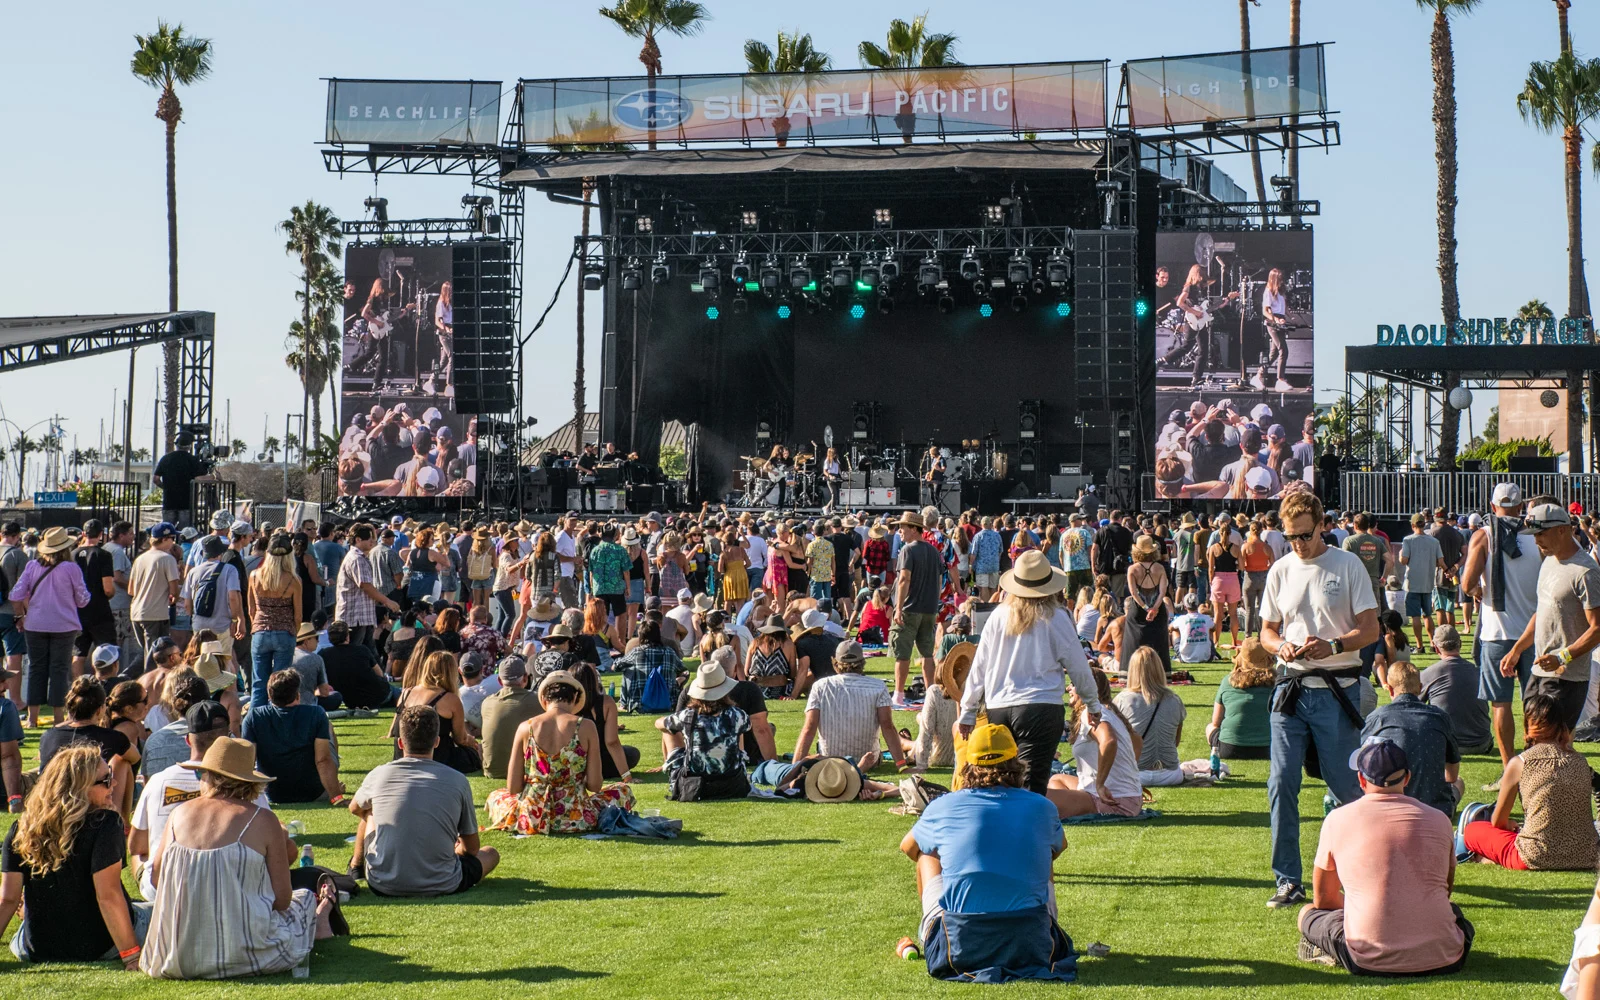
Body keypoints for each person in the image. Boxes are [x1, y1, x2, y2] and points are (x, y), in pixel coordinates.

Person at [1259, 490, 1379, 909]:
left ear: (1322, 525)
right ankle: (1288, 881)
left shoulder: (1347, 565)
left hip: (1337, 690)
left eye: (1305, 535)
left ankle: (1364, 874)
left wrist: (1332, 644)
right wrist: (1280, 648)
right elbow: (1267, 632)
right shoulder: (1280, 569)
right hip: (1290, 689)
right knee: (1280, 783)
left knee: (1347, 787)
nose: (1298, 544)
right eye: (1290, 536)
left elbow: (1370, 630)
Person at [141, 736, 340, 978]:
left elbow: (155, 878)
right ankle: (319, 921)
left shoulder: (178, 814)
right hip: (248, 955)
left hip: (178, 955)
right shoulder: (264, 820)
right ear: (249, 783)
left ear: (208, 776)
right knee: (305, 899)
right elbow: (282, 900)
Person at [900, 723, 1074, 984]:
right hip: (1032, 941)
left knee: (928, 853)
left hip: (961, 946)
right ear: (1016, 761)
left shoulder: (943, 806)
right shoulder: (1043, 807)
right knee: (1043, 853)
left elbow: (909, 847)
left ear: (968, 764)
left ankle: (930, 933)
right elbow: (1058, 848)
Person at [1296, 739, 1472, 977]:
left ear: (1361, 780)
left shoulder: (1337, 820)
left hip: (1368, 959)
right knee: (1452, 912)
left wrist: (1368, 907)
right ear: (1407, 778)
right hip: (1446, 957)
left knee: (1307, 913)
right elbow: (1445, 889)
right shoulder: (1439, 820)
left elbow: (1324, 899)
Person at [960, 549, 1100, 796]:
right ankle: (1029, 831)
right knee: (1032, 785)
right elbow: (1078, 665)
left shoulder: (998, 616)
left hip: (999, 705)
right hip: (1040, 706)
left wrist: (968, 711)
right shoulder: (1056, 617)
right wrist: (1093, 703)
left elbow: (979, 666)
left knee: (1002, 780)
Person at [0, 745, 149, 967]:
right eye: (106, 780)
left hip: (38, 948)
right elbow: (107, 896)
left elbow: (8, 899)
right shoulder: (105, 824)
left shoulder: (21, 829)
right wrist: (132, 956)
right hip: (99, 946)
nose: (114, 784)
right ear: (79, 789)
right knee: (162, 911)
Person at [349, 705, 497, 896]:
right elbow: (472, 848)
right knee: (490, 853)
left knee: (368, 811)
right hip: (443, 881)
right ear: (436, 742)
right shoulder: (457, 779)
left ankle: (355, 866)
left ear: (400, 743)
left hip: (382, 881)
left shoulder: (379, 774)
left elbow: (355, 808)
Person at [130, 701, 269, 901]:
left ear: (188, 740)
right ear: (228, 740)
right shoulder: (245, 783)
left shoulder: (158, 781)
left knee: (141, 856)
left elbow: (137, 846)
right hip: (226, 886)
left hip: (167, 888)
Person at [1460, 693, 1600, 871]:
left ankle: (1483, 857)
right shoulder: (1580, 761)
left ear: (1528, 724)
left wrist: (1510, 824)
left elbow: (1498, 822)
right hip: (1587, 855)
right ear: (1561, 725)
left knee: (1473, 831)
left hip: (1535, 855)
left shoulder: (1520, 763)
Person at [1461, 482, 1541, 787]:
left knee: (1501, 704)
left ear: (1493, 506)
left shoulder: (1484, 535)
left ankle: (1511, 772)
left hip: (1496, 632)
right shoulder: (1538, 538)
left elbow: (1467, 582)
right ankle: (1534, 767)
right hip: (1533, 631)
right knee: (1534, 704)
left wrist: (1481, 591)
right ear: (1521, 507)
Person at [487, 670, 634, 834]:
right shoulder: (585, 726)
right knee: (623, 790)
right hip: (575, 816)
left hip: (532, 816)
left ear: (544, 698)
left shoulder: (525, 727)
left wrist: (538, 781)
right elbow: (595, 785)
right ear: (575, 698)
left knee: (496, 796)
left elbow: (513, 787)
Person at [1497, 503, 1600, 730]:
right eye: (1534, 534)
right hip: (1539, 671)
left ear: (1563, 529)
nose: (1536, 540)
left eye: (1541, 533)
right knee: (1533, 742)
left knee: (1552, 747)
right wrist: (1517, 650)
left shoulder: (1586, 571)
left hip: (1567, 677)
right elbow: (1542, 612)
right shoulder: (1549, 562)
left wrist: (1563, 657)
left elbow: (1597, 629)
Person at [10, 526, 90, 728]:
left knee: (37, 669)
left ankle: (32, 719)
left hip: (35, 624)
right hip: (64, 625)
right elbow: (82, 600)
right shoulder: (72, 569)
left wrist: (21, 615)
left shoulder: (32, 566)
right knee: (59, 670)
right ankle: (58, 718)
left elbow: (16, 595)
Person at [1361, 661, 1461, 816]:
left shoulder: (1377, 718)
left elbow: (1361, 762)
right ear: (1420, 688)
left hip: (1389, 806)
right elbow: (1452, 776)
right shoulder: (1440, 717)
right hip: (1435, 809)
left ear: (1389, 688)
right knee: (1459, 783)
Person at [793, 641, 906, 772]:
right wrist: (901, 765)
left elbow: (809, 728)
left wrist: (794, 768)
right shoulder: (878, 686)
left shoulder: (820, 686)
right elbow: (887, 726)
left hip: (830, 760)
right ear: (862, 662)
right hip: (869, 760)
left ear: (835, 663)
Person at [1047, 668, 1143, 818]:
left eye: (1073, 684)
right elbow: (1137, 741)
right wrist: (1126, 776)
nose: (1068, 688)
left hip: (1114, 800)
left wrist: (1100, 784)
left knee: (1035, 799)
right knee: (1056, 779)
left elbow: (1109, 741)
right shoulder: (1108, 711)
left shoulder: (1090, 713)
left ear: (1087, 688)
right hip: (1128, 797)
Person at [241, 669, 345, 804]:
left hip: (272, 793)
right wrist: (336, 797)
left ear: (269, 695)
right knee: (328, 728)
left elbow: (247, 761)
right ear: (297, 694)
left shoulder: (254, 717)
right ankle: (333, 784)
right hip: (312, 793)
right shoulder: (316, 714)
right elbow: (323, 760)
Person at [674, 646, 776, 766]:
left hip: (698, 758)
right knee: (768, 727)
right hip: (741, 759)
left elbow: (675, 729)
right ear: (735, 670)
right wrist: (774, 763)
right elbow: (761, 729)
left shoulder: (689, 691)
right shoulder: (749, 691)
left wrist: (677, 761)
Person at [890, 511, 951, 710]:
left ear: (914, 529)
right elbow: (941, 579)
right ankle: (931, 695)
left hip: (910, 607)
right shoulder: (934, 551)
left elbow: (904, 580)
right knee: (926, 654)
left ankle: (898, 696)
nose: (900, 531)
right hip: (929, 608)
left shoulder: (907, 550)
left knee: (903, 654)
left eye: (903, 527)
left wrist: (898, 608)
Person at [390, 650, 482, 774]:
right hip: (437, 758)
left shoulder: (406, 693)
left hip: (402, 756)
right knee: (475, 753)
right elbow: (460, 739)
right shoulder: (450, 699)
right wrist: (472, 742)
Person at [1115, 647, 1187, 787]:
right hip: (1170, 774)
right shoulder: (1174, 699)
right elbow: (1175, 741)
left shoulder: (1123, 700)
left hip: (1135, 774)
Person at [247, 532, 302, 710]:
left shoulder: (255, 576)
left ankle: (254, 725)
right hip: (285, 632)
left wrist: (257, 626)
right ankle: (277, 722)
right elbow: (298, 615)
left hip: (260, 631)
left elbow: (251, 610)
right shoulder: (293, 580)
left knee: (258, 685)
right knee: (281, 686)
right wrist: (294, 631)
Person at [1419, 624, 1493, 756]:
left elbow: (1412, 705)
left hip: (1445, 746)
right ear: (1460, 644)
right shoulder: (1478, 672)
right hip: (1482, 743)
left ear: (1436, 648)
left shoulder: (1428, 674)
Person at [1206, 636, 1274, 759]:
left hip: (1229, 748)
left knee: (1210, 727)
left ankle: (1216, 749)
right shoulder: (1277, 683)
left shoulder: (1228, 681)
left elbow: (1216, 722)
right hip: (1269, 748)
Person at [335, 523, 400, 650]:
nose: (373, 541)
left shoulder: (360, 557)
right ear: (358, 540)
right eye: (369, 538)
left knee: (368, 656)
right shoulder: (357, 558)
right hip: (355, 617)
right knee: (356, 653)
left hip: (362, 617)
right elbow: (365, 586)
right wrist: (387, 601)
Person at [70, 520, 118, 681]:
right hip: (99, 609)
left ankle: (78, 685)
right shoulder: (103, 555)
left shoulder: (72, 555)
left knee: (78, 652)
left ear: (83, 534)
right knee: (107, 649)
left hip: (76, 610)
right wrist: (109, 595)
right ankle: (105, 683)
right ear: (100, 535)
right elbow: (108, 588)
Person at [1121, 535, 1170, 676]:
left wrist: (1145, 607)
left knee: (1133, 640)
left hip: (1138, 609)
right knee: (1158, 641)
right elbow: (1162, 592)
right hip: (1157, 608)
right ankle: (1161, 673)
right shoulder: (1160, 568)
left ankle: (1130, 672)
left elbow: (1133, 593)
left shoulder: (1132, 569)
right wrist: (1154, 608)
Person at [320, 619, 395, 709]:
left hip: (350, 701)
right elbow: (379, 674)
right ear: (347, 636)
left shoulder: (323, 655)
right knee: (403, 693)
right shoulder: (362, 650)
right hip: (379, 695)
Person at [1399, 512, 1445, 653]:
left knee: (1415, 617)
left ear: (1413, 525)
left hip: (1412, 583)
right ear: (1424, 524)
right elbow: (1441, 562)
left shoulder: (1408, 540)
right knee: (1427, 615)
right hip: (1428, 582)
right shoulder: (1434, 541)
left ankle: (1419, 646)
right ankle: (1432, 643)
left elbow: (1403, 560)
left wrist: (1401, 554)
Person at [1205, 517, 1243, 651]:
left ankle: (1216, 642)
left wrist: (1211, 582)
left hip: (1218, 580)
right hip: (1233, 579)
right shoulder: (1237, 548)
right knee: (1233, 614)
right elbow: (1242, 567)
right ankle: (1234, 640)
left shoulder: (1213, 548)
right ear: (1230, 533)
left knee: (1217, 614)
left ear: (1219, 533)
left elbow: (1210, 568)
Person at [290, 621, 340, 712]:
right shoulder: (316, 659)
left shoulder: (284, 657)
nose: (318, 641)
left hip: (285, 703)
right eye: (316, 638)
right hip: (308, 704)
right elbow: (324, 692)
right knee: (336, 696)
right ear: (306, 640)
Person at [1091, 509, 1134, 600]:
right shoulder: (1126, 532)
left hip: (1103, 566)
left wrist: (1093, 565)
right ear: (1120, 519)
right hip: (1119, 567)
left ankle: (1101, 609)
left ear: (1110, 518)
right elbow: (1131, 550)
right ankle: (1116, 610)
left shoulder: (1101, 531)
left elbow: (1094, 549)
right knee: (1117, 593)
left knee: (1101, 592)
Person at [1169, 593, 1215, 664]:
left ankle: (1181, 651)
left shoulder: (1181, 619)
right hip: (1207, 657)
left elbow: (1169, 628)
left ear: (1185, 607)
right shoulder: (1206, 618)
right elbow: (1214, 628)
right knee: (1210, 629)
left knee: (1175, 630)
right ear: (1197, 605)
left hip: (1186, 658)